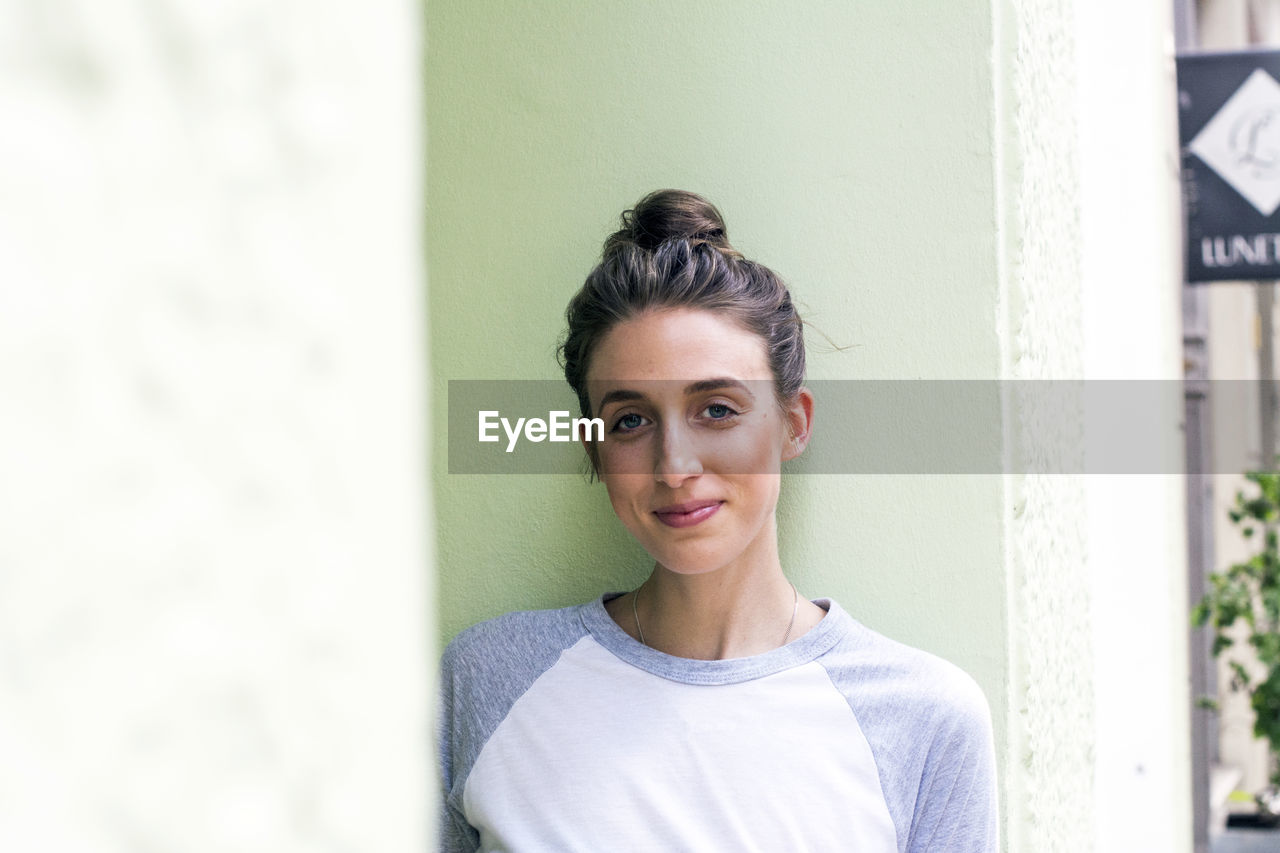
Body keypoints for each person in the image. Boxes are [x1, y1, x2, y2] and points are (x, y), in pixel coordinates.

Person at [437, 190, 999, 852]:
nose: (674, 465)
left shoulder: (922, 718)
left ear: (793, 424)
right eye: (631, 420)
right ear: (594, 448)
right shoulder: (490, 680)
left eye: (718, 409)